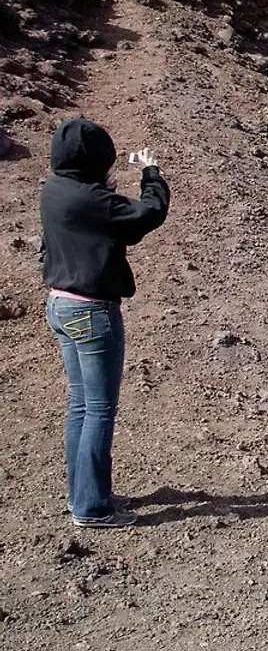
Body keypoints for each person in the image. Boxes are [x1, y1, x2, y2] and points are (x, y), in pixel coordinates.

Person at [40, 118, 170, 529]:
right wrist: (150, 173)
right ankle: (92, 508)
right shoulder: (91, 199)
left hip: (61, 305)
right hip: (92, 313)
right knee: (98, 410)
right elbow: (146, 215)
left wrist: (106, 186)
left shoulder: (54, 189)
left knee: (81, 406)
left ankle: (84, 494)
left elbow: (107, 224)